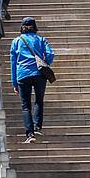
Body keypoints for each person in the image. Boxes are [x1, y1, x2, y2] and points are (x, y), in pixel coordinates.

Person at [10, 17, 54, 145]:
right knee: (39, 101)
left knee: (25, 105)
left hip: (22, 74)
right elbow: (50, 54)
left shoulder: (17, 41)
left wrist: (14, 83)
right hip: (40, 73)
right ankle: (37, 126)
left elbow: (13, 63)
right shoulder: (41, 40)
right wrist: (46, 62)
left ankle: (30, 134)